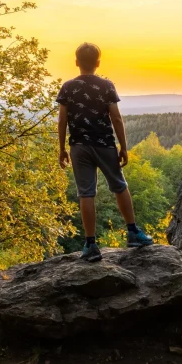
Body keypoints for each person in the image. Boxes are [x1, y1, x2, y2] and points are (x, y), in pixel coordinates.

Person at [56, 42, 153, 262]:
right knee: (119, 185)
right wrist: (124, 146)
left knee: (86, 193)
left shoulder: (68, 87)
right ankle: (132, 232)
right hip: (105, 144)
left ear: (76, 62)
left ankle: (90, 245)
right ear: (98, 63)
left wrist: (62, 148)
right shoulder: (106, 86)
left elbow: (62, 120)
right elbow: (116, 118)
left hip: (79, 146)